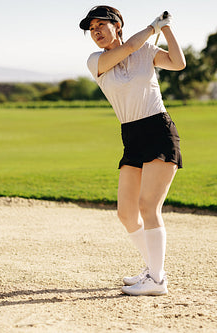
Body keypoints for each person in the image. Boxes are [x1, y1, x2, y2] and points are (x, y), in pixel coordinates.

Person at [79, 6, 186, 296]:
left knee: (148, 206)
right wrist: (152, 27)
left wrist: (165, 29)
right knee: (127, 213)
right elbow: (127, 47)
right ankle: (152, 268)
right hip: (132, 136)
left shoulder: (147, 51)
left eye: (102, 25)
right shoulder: (96, 61)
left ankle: (156, 280)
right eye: (92, 29)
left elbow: (178, 63)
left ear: (118, 25)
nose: (97, 31)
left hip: (158, 130)